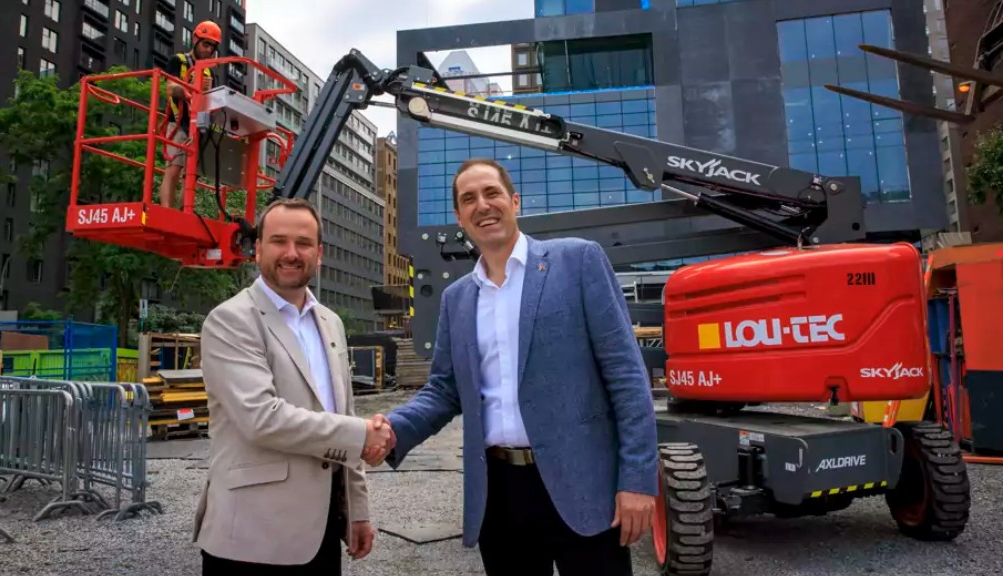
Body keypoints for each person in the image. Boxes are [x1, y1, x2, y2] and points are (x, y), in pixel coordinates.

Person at [372, 158, 660, 575]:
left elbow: (627, 377)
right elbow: (443, 389)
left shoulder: (578, 263)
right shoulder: (457, 299)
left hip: (584, 484)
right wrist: (394, 429)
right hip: (500, 494)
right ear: (459, 216)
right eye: (469, 199)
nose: (482, 205)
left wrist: (637, 480)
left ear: (515, 201)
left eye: (492, 193)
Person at [192, 198, 394, 574]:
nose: (291, 253)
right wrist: (363, 434)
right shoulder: (230, 321)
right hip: (251, 539)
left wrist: (357, 511)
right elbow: (262, 418)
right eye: (278, 241)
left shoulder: (330, 323)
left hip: (318, 538)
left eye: (303, 243)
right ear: (257, 250)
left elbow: (341, 413)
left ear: (319, 254)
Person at [160, 20, 220, 209]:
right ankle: (167, 211)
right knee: (174, 169)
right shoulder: (178, 61)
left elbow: (211, 103)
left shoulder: (210, 72)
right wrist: (193, 89)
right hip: (177, 123)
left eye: (212, 47)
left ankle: (184, 212)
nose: (208, 50)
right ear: (195, 40)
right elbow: (170, 88)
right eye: (206, 44)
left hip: (197, 126)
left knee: (192, 173)